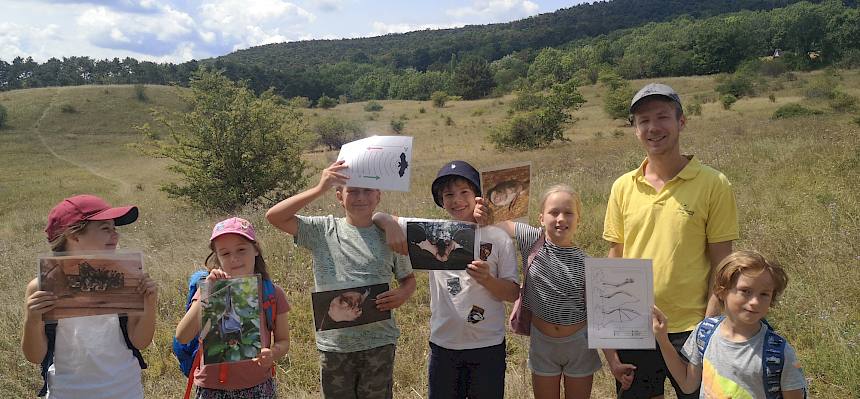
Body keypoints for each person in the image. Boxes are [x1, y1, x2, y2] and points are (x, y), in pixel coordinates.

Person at [602, 83, 739, 398]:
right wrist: (609, 333)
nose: (653, 127)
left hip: (691, 329)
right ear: (635, 129)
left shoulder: (713, 184)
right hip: (635, 326)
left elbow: (723, 264)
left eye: (662, 117)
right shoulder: (623, 186)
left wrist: (709, 329)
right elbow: (616, 257)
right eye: (643, 120)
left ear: (681, 121)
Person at [265, 160, 416, 399]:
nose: (360, 197)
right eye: (352, 191)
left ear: (378, 195)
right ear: (339, 195)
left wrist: (403, 293)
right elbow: (274, 216)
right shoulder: (323, 230)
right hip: (335, 346)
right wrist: (318, 188)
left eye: (367, 190)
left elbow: (408, 279)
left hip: (379, 343)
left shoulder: (390, 234)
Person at [374, 160, 519, 399]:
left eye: (464, 192)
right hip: (444, 345)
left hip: (487, 346)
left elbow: (513, 293)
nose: (457, 200)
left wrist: (487, 279)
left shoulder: (497, 236)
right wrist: (389, 223)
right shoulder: (432, 231)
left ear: (478, 197)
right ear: (441, 201)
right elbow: (378, 216)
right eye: (448, 194)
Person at [22, 194, 158, 399]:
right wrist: (32, 321)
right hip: (67, 392)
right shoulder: (43, 287)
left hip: (125, 389)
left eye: (115, 228)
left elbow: (140, 341)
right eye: (105, 229)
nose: (115, 236)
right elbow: (34, 356)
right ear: (74, 236)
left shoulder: (127, 278)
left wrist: (150, 303)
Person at [475, 184, 601, 399]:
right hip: (543, 343)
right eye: (553, 212)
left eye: (568, 213)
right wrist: (483, 212)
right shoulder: (532, 239)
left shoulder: (588, 263)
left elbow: (599, 316)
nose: (560, 218)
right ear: (541, 218)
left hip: (579, 344)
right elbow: (498, 223)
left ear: (579, 219)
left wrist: (614, 361)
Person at [651, 250, 806, 398]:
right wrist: (663, 339)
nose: (755, 302)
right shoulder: (705, 332)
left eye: (764, 294)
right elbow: (687, 384)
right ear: (722, 291)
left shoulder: (778, 353)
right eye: (745, 291)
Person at [175, 217, 291, 399]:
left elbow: (284, 340)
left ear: (255, 250)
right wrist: (208, 294)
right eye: (225, 253)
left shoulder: (272, 293)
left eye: (241, 249)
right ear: (218, 258)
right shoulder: (210, 289)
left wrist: (273, 353)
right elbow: (183, 336)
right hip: (212, 388)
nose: (235, 258)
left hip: (258, 386)